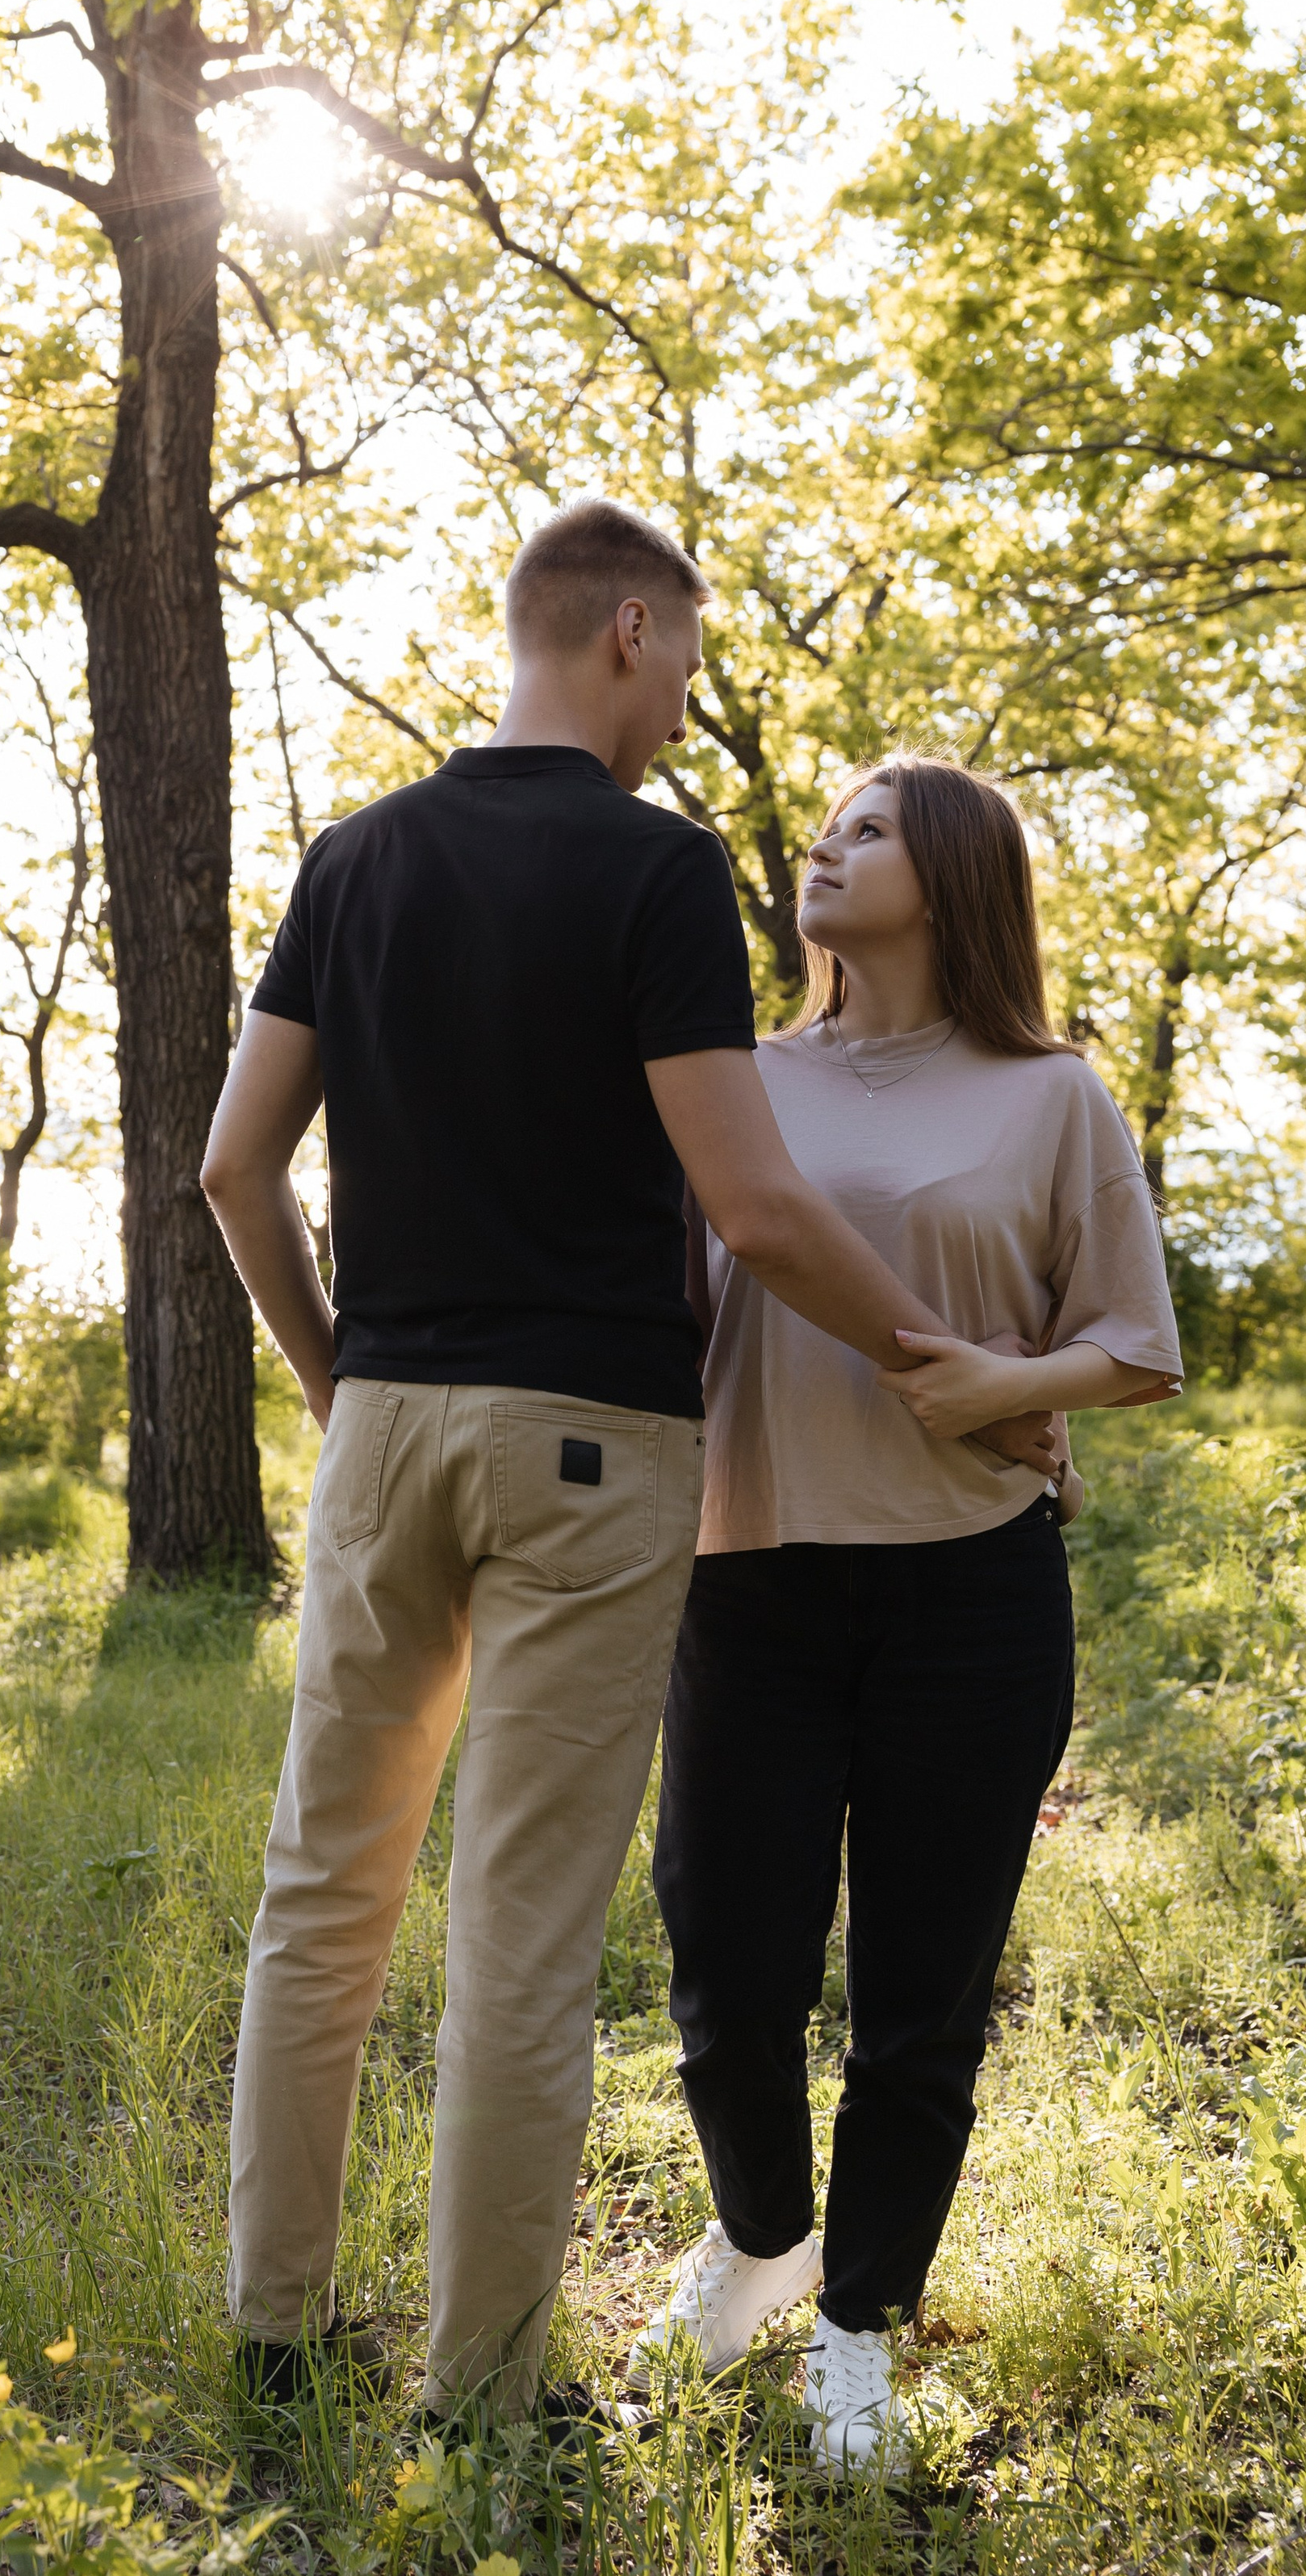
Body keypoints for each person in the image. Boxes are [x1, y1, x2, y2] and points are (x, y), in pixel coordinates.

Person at [199, 509, 1057, 2426]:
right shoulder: (655, 870)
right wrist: (955, 1376)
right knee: (516, 1930)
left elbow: (234, 1169)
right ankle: (484, 2394)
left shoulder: (352, 858)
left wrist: (341, 1388)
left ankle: (274, 2332)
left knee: (319, 1892)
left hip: (386, 1429)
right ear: (624, 627)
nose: (680, 701)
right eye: (680, 661)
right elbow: (752, 1208)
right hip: (588, 1452)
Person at [629, 754, 1182, 2473]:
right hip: (747, 1571)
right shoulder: (730, 1080)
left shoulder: (1050, 1095)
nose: (826, 842)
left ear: (950, 876)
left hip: (969, 1592)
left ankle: (859, 2324)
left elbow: (1134, 1343)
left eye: (868, 828)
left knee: (920, 1994)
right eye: (829, 823)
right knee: (726, 1962)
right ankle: (759, 2239)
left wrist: (1009, 1389)